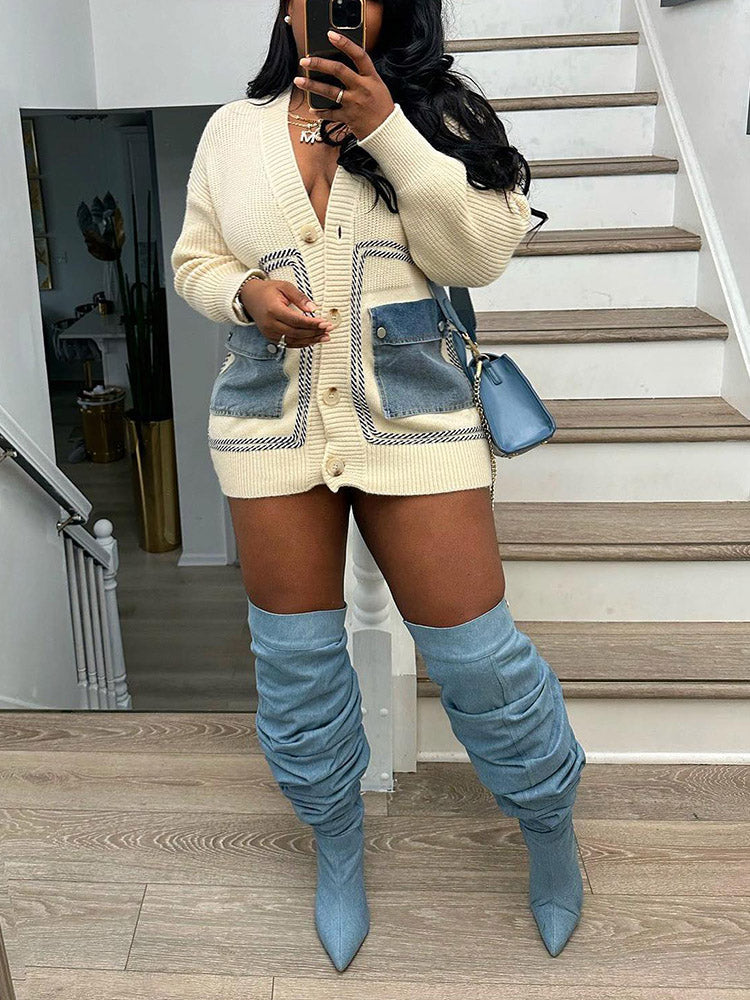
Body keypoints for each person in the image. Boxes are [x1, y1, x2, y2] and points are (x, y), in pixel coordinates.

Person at [171, 0, 587, 974]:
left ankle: (547, 824)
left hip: (416, 423)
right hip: (271, 423)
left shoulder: (439, 111)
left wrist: (389, 127)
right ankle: (337, 843)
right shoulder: (231, 131)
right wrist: (244, 294)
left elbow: (478, 255)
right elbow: (195, 257)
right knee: (298, 671)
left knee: (481, 663)